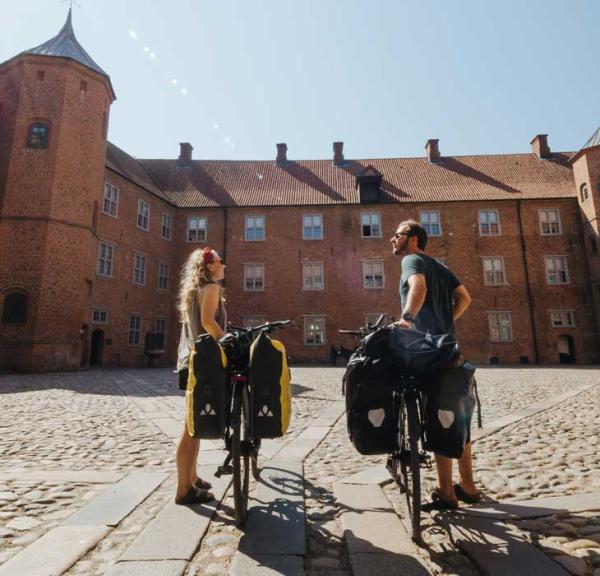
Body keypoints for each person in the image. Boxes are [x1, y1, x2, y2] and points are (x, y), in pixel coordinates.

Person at [390, 219, 480, 510]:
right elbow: (465, 298)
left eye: (398, 235)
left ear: (412, 238)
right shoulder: (440, 266)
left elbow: (418, 286)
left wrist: (407, 318)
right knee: (459, 415)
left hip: (426, 350)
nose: (393, 239)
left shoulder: (412, 260)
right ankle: (467, 486)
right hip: (450, 348)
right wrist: (447, 321)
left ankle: (446, 493)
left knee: (435, 414)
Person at [175, 246, 227, 505]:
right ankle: (184, 489)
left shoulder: (195, 291)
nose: (224, 265)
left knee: (193, 426)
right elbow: (208, 322)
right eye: (220, 261)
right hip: (203, 362)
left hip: (189, 360)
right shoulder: (211, 289)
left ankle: (192, 477)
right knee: (189, 428)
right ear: (209, 267)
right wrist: (227, 342)